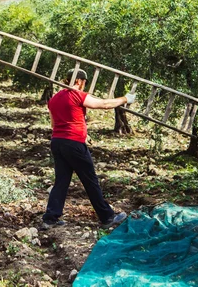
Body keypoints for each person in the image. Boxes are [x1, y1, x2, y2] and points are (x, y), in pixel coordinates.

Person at [42, 68, 136, 230]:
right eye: (84, 83)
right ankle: (107, 217)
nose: (84, 86)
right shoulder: (77, 95)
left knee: (61, 181)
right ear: (78, 81)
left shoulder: (54, 99)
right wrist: (125, 99)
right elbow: (104, 104)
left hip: (57, 142)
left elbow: (53, 124)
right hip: (73, 143)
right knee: (90, 180)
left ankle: (50, 218)